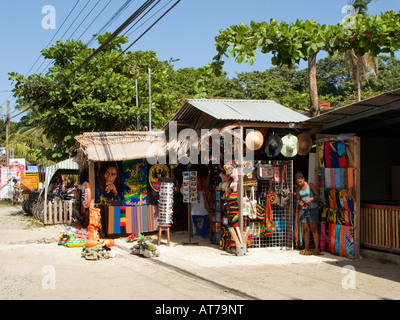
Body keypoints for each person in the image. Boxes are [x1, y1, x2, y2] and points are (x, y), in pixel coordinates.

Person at [295, 171, 322, 255]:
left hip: (312, 209)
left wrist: (310, 199)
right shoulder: (298, 188)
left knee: (314, 228)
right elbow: (298, 199)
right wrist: (300, 203)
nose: (300, 183)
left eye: (300, 181)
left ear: (304, 179)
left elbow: (318, 196)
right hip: (303, 210)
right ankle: (306, 248)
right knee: (306, 229)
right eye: (298, 182)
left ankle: (316, 248)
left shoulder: (310, 185)